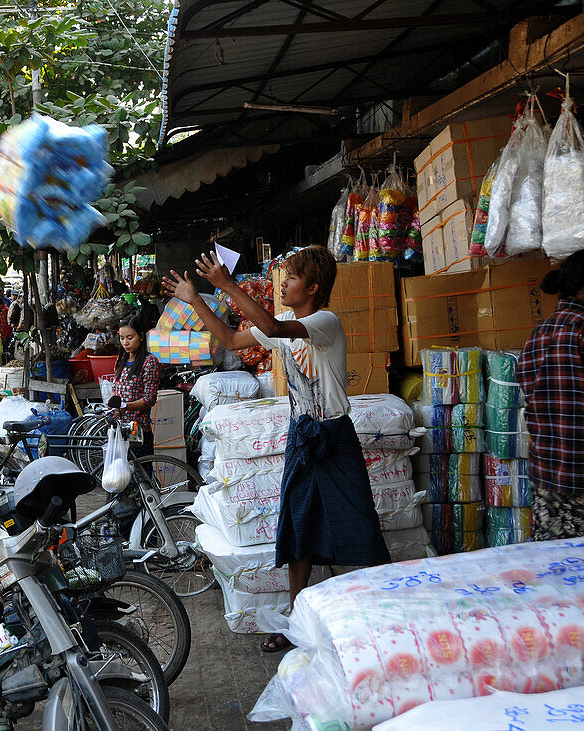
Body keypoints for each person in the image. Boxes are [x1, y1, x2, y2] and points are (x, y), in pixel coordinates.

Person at [163, 246, 388, 653]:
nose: (282, 283)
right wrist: (196, 299)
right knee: (298, 527)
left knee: (361, 524)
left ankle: (383, 610)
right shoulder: (282, 321)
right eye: (284, 276)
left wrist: (227, 285)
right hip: (303, 434)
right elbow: (231, 338)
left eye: (292, 278)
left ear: (314, 288)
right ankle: (297, 620)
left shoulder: (324, 322)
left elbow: (269, 325)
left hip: (334, 437)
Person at [519, 250, 584, 541]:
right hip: (581, 475)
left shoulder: (537, 334)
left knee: (557, 571)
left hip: (547, 476)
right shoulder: (582, 330)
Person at [112, 314, 161, 458]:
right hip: (119, 428)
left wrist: (126, 406)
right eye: (122, 338)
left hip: (138, 430)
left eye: (130, 337)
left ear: (140, 336)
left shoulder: (149, 362)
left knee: (140, 475)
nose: (125, 343)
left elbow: (150, 399)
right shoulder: (121, 360)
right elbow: (116, 391)